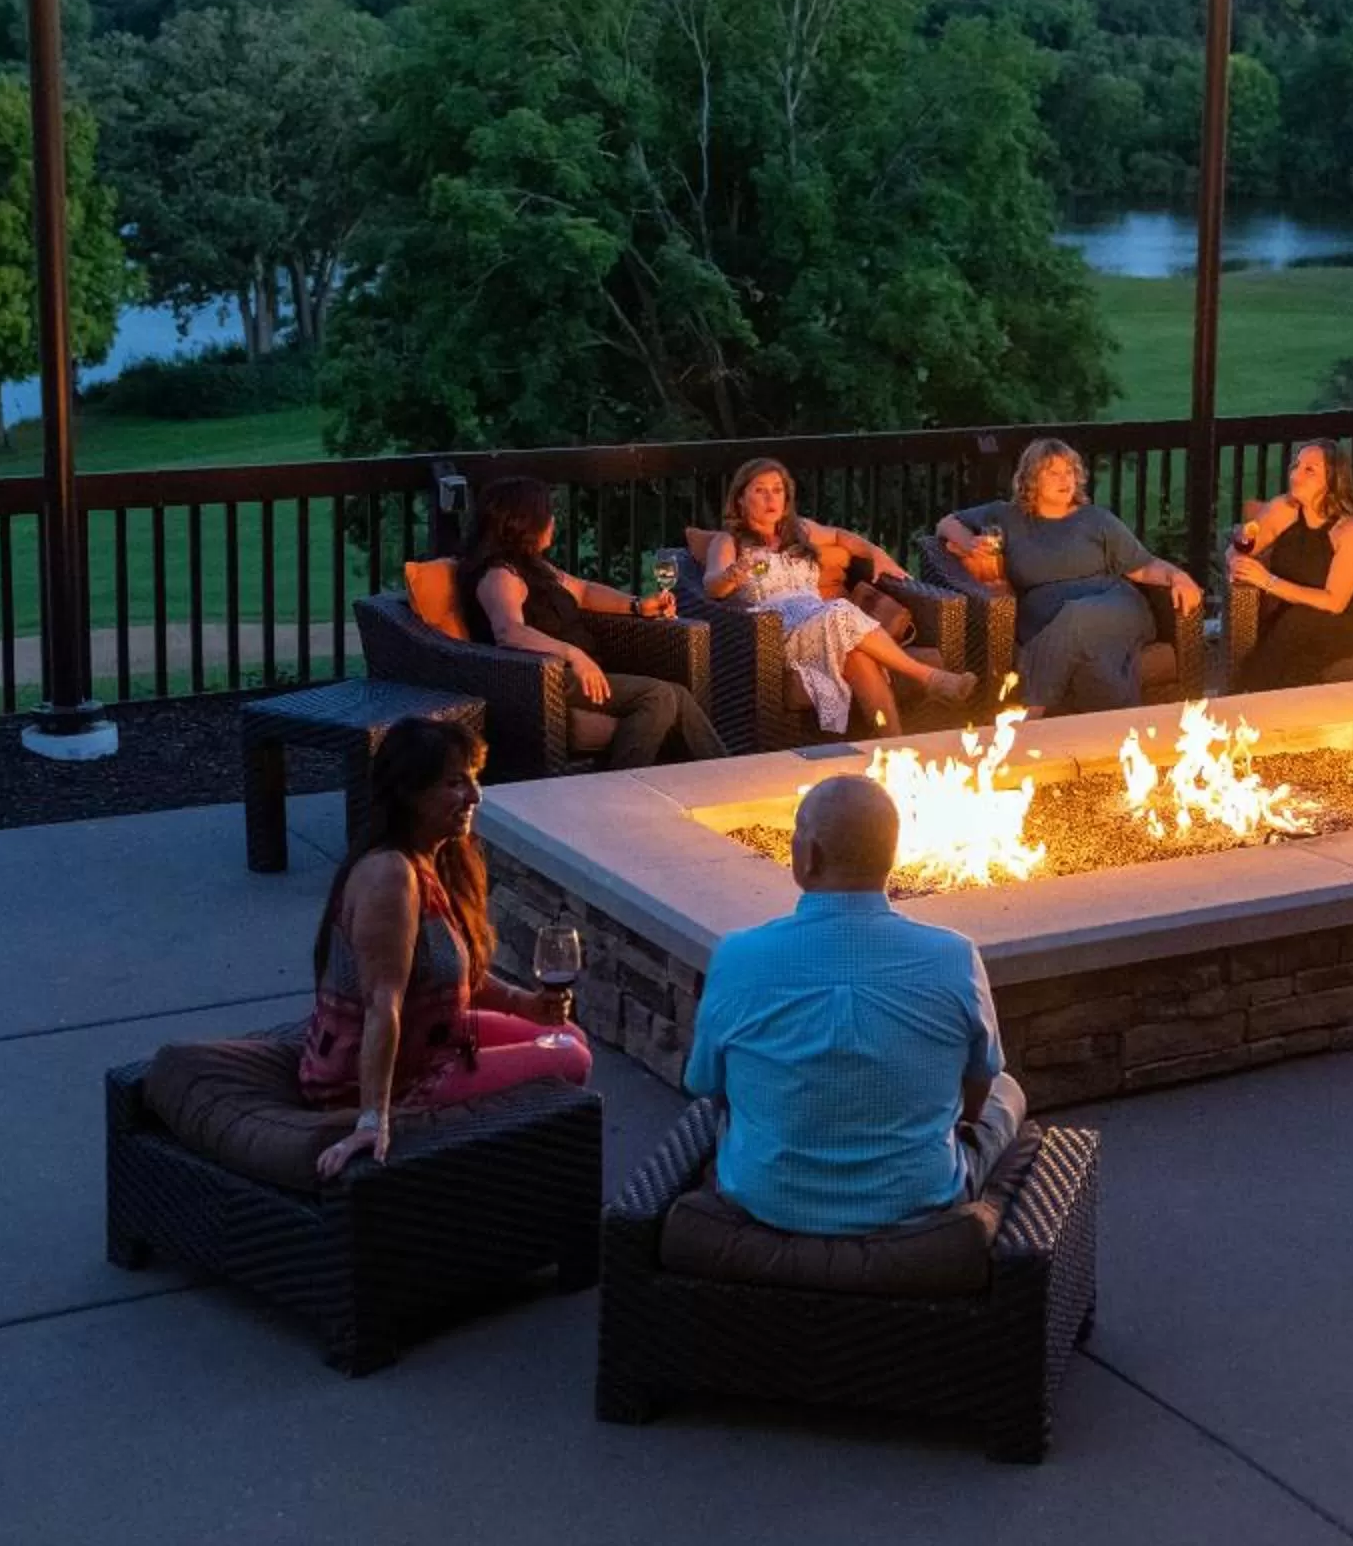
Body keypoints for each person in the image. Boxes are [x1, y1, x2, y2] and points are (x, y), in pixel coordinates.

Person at [682, 776, 1026, 1235]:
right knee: (1007, 1090)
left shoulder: (738, 957)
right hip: (919, 1199)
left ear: (809, 855)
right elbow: (977, 1094)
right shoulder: (954, 957)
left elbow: (707, 1083)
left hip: (766, 1198)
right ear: (891, 856)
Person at [302, 717, 591, 1177]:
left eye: (473, 778)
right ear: (409, 793)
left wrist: (526, 1005)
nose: (475, 796)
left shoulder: (431, 859)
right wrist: (371, 1120)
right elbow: (382, 1005)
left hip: (431, 1041)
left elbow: (450, 973)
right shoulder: (389, 876)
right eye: (455, 783)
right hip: (377, 1078)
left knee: (568, 1034)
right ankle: (505, 1175)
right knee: (570, 1057)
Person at [459, 475, 726, 769]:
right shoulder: (500, 575)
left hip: (570, 673)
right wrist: (573, 655)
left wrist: (637, 605)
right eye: (547, 515)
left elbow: (584, 591)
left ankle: (726, 775)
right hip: (543, 680)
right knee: (658, 695)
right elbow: (509, 632)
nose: (552, 522)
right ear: (525, 522)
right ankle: (622, 783)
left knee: (679, 695)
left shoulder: (535, 566)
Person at [703, 458, 974, 737]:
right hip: (776, 632)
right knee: (840, 611)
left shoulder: (800, 531)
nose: (771, 498)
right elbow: (712, 587)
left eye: (777, 490)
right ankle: (929, 678)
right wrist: (733, 574)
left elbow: (841, 536)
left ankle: (893, 744)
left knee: (857, 655)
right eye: (760, 490)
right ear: (740, 499)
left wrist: (876, 554)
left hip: (821, 622)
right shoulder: (729, 541)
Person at [934, 438, 1204, 714]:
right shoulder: (1006, 516)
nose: (1065, 479)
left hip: (1115, 606)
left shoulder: (1096, 520)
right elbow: (946, 524)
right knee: (1095, 663)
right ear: (1031, 479)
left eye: (1070, 471)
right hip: (1044, 619)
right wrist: (969, 544)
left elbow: (1143, 566)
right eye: (1054, 472)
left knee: (1077, 614)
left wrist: (1178, 577)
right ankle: (1109, 733)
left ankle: (1031, 711)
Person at [1227, 438, 1353, 694]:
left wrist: (1267, 581)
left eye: (1309, 470)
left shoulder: (1351, 530)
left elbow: (1334, 602)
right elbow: (1239, 547)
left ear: (1332, 481)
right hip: (1296, 619)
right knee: (1293, 643)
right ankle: (1262, 704)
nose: (1295, 475)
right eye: (1296, 466)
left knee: (1296, 629)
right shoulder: (1283, 510)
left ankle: (1246, 699)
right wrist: (1236, 560)